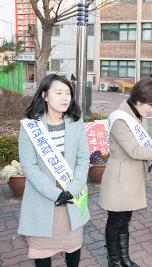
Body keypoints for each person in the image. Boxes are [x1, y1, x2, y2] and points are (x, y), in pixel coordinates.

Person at [99, 78, 152, 267]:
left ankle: (124, 258)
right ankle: (114, 260)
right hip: (120, 177)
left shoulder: (137, 114)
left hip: (132, 175)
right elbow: (134, 150)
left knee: (125, 219)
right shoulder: (120, 118)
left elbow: (145, 144)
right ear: (139, 100)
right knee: (116, 220)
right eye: (151, 105)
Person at [18, 74, 90, 267]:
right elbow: (29, 166)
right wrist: (55, 193)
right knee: (42, 255)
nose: (65, 97)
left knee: (73, 251)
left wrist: (73, 188)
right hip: (42, 201)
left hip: (72, 201)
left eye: (68, 93)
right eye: (58, 92)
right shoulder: (31, 127)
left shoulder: (76, 123)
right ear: (45, 95)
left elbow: (83, 159)